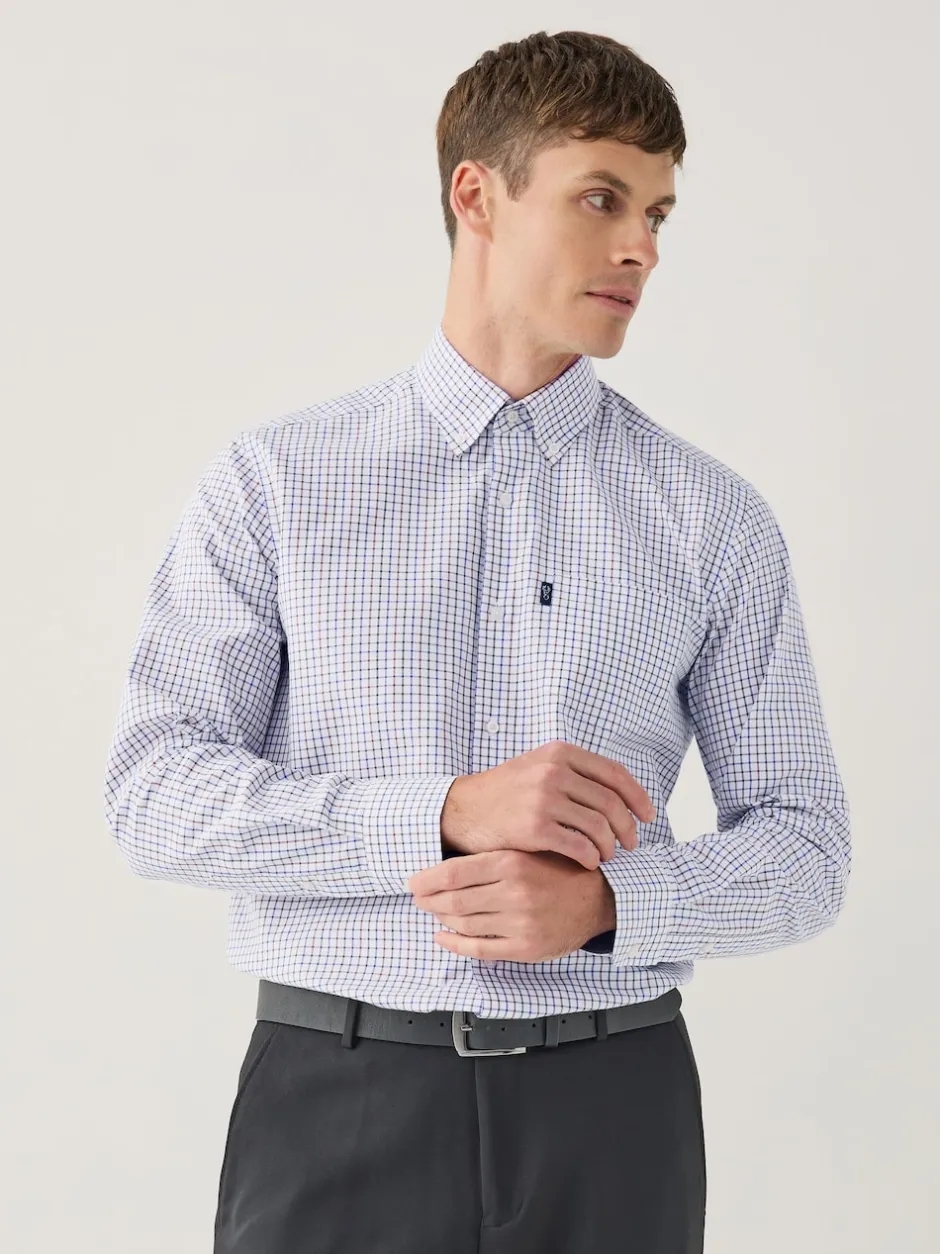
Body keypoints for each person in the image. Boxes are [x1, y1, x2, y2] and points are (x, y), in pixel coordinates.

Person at [102, 28, 852, 1254]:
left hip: (614, 1109)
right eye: (601, 198)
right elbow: (151, 796)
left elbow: (807, 848)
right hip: (336, 1098)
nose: (641, 248)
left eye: (658, 213)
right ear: (477, 195)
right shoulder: (279, 482)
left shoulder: (710, 517)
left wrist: (607, 905)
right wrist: (441, 813)